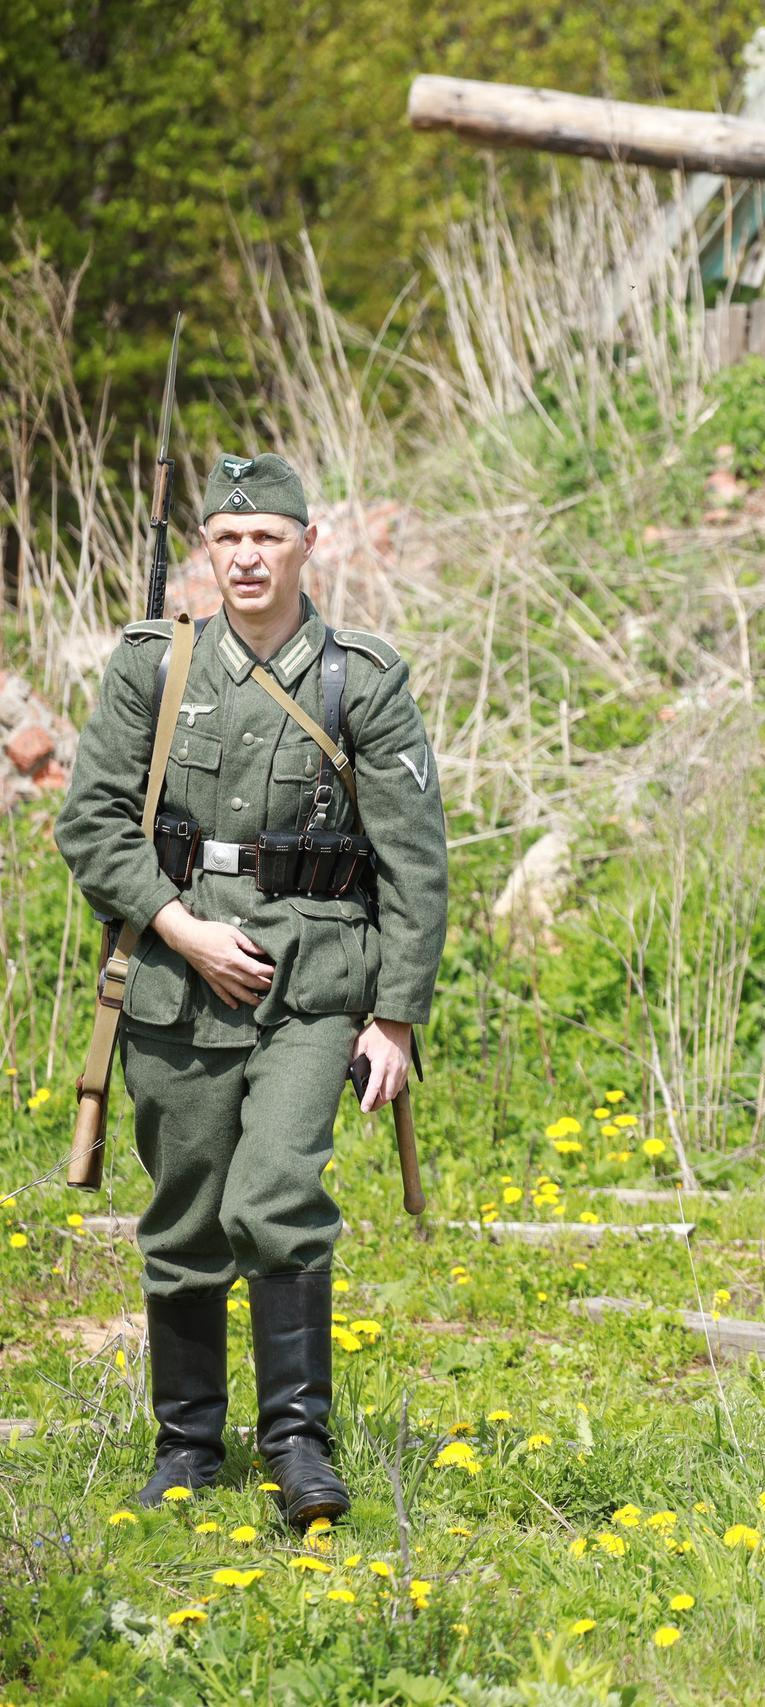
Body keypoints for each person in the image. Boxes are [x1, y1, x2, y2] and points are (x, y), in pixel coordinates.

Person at [57, 453, 448, 1528]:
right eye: (227, 540)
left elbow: (415, 859)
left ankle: (297, 1447)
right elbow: (89, 824)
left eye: (266, 538)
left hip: (312, 986)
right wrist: (180, 929)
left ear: (306, 545)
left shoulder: (359, 678)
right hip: (178, 985)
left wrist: (397, 1018)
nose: (245, 558)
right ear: (206, 551)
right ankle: (186, 1445)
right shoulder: (154, 666)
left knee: (273, 1199)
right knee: (185, 1217)